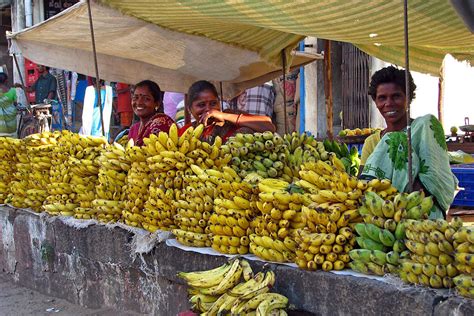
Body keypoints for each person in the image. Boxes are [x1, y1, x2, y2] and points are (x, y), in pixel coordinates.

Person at [360, 66, 457, 218]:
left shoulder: (425, 130)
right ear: (375, 101)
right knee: (391, 139)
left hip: (423, 213)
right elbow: (365, 184)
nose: (389, 103)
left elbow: (436, 175)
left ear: (408, 98)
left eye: (396, 96)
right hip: (385, 216)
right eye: (382, 98)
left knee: (400, 135)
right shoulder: (372, 142)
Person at [178, 80, 275, 143]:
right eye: (201, 105)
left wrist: (225, 116)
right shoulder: (185, 133)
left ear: (219, 103)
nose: (208, 109)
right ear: (189, 109)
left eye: (213, 103)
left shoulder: (231, 117)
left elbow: (269, 127)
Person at [128, 80, 174, 146]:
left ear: (157, 103)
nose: (139, 102)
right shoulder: (134, 129)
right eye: (135, 98)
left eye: (146, 99)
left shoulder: (162, 124)